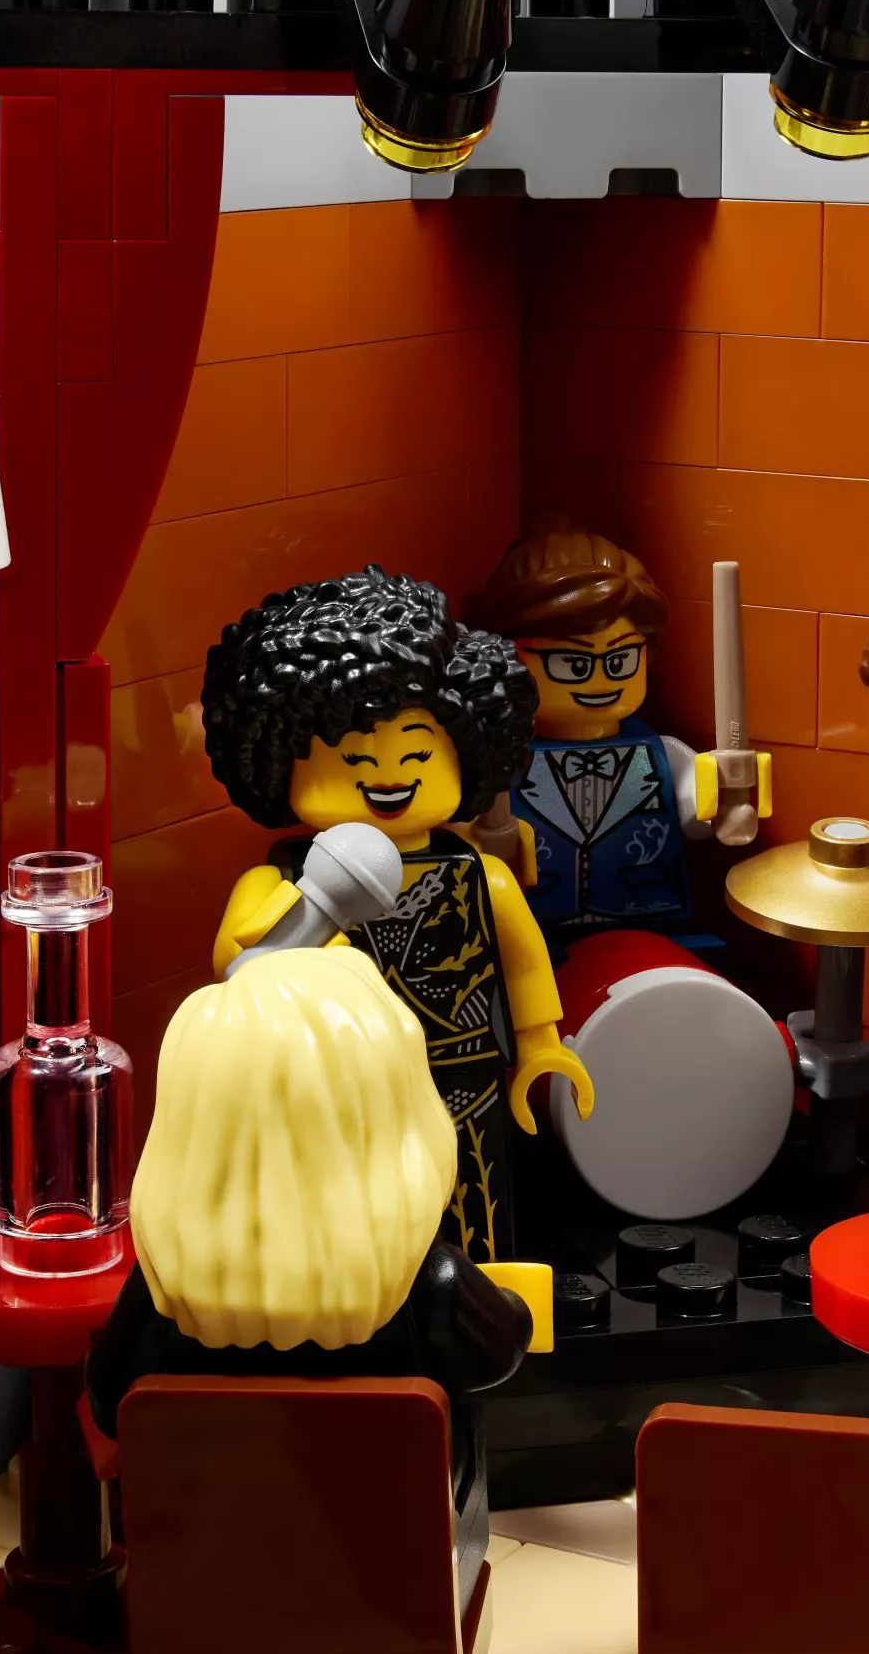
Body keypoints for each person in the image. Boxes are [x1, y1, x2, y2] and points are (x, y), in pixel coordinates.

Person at [87, 943, 548, 1596]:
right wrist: (506, 1302)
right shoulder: (429, 1289)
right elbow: (498, 1352)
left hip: (201, 1591)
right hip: (395, 1588)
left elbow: (110, 1404)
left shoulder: (164, 1294)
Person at [202, 565, 593, 1257]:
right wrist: (307, 912)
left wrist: (540, 1044)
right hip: (339, 1085)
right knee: (355, 1215)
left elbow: (523, 961)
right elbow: (235, 959)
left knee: (474, 1202)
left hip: (461, 1072)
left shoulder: (480, 877)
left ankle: (480, 1288)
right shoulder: (283, 879)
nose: (389, 777)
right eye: (353, 760)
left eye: (418, 753)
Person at [467, 521, 769, 948]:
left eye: (620, 659)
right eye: (572, 663)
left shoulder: (663, 753)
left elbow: (700, 811)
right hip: (533, 937)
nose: (599, 679)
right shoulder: (500, 760)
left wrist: (724, 801)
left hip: (648, 932)